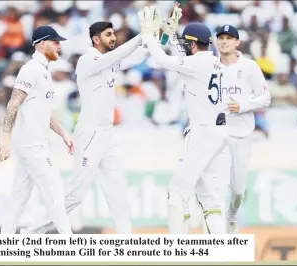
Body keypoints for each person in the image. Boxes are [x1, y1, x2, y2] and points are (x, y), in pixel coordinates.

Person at [21, 21, 153, 234]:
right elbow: (118, 55)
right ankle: (33, 231)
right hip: (90, 134)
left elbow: (138, 56)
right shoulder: (87, 60)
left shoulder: (109, 62)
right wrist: (142, 35)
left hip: (107, 134)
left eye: (114, 34)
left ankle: (126, 241)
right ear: (96, 39)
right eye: (109, 35)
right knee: (76, 194)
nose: (113, 38)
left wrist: (158, 37)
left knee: (117, 189)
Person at [139, 4, 231, 234]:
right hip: (219, 134)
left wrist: (151, 36)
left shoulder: (196, 63)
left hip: (201, 133)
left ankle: (177, 249)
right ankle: (218, 253)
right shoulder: (214, 62)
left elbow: (162, 60)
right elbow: (185, 60)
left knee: (176, 195)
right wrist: (172, 36)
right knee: (210, 200)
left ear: (192, 44)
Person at [0, 25, 75, 234]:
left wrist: (63, 134)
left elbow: (43, 112)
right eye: (55, 42)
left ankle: (4, 244)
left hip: (34, 144)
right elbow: (13, 103)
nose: (59, 46)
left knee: (18, 197)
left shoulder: (43, 71)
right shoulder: (31, 69)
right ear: (41, 44)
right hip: (32, 145)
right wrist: (6, 137)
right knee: (55, 194)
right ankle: (71, 246)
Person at [215, 25, 271, 233]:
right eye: (221, 37)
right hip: (218, 135)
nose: (224, 41)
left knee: (238, 190)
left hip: (241, 135)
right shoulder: (212, 67)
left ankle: (232, 215)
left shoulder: (249, 67)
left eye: (229, 38)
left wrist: (243, 106)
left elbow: (265, 98)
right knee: (216, 188)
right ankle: (217, 235)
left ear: (237, 42)